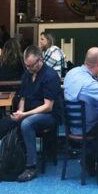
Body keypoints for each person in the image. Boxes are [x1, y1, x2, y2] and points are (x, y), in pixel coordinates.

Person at [11, 45, 62, 182]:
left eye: (31, 65)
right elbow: (22, 96)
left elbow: (47, 106)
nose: (29, 69)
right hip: (29, 111)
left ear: (40, 60)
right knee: (4, 124)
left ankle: (31, 166)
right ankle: (16, 158)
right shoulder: (27, 74)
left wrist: (25, 115)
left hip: (49, 115)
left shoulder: (50, 76)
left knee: (27, 123)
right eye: (26, 66)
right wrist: (20, 111)